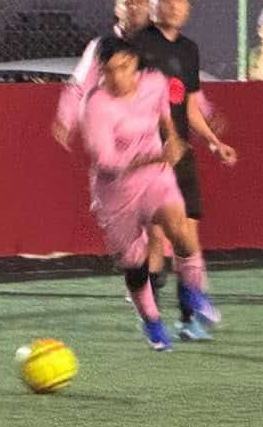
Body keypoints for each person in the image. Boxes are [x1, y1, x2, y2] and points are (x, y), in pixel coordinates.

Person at [80, 37, 221, 351]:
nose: (117, 76)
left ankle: (191, 293)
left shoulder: (154, 83)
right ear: (101, 71)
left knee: (181, 229)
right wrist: (158, 156)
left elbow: (164, 114)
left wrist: (171, 138)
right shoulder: (95, 105)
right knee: (135, 265)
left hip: (155, 178)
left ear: (135, 64)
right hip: (116, 193)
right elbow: (107, 162)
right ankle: (152, 321)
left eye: (124, 67)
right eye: (109, 71)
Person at [131, 0, 238, 340]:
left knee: (189, 239)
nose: (175, 5)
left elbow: (188, 104)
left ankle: (191, 318)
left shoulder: (189, 49)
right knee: (155, 241)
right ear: (153, 1)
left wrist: (211, 140)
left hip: (182, 155)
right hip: (148, 157)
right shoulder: (137, 46)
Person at [52, 0, 151, 150]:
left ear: (149, 8)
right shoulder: (100, 45)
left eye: (140, 2)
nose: (133, 7)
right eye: (127, 2)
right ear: (117, 10)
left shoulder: (161, 45)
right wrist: (66, 120)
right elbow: (79, 86)